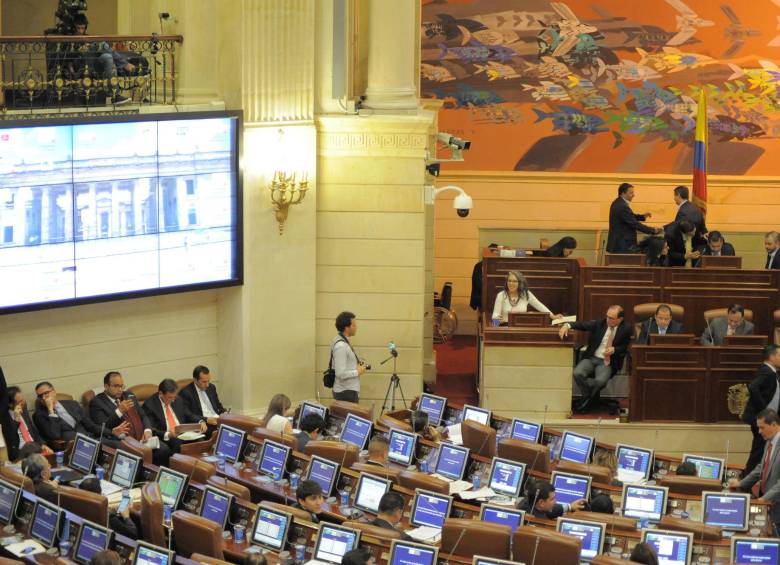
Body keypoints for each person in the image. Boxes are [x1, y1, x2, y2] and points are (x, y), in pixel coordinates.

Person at [559, 305, 632, 413]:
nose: (608, 320)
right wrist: (567, 325)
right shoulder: (600, 323)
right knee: (577, 373)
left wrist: (614, 349)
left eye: (611, 318)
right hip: (592, 358)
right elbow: (582, 325)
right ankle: (589, 397)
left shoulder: (626, 329)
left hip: (606, 362)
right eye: (607, 316)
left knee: (600, 381)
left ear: (620, 319)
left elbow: (624, 347)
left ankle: (586, 400)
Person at [90, 371, 171, 466]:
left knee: (164, 449)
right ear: (106, 386)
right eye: (116, 386)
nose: (120, 389)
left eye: (121, 386)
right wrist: (119, 411)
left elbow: (143, 415)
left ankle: (156, 478)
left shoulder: (128, 395)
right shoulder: (97, 402)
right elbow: (103, 428)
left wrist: (147, 430)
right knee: (139, 454)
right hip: (124, 442)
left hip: (143, 438)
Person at [729, 409, 780, 534]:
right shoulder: (769, 442)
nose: (759, 431)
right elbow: (761, 468)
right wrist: (741, 483)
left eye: (762, 427)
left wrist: (763, 500)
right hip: (767, 502)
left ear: (774, 425)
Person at [70, 14, 134, 105]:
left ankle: (115, 95)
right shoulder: (68, 39)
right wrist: (78, 51)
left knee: (107, 56)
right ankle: (124, 64)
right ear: (74, 27)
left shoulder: (87, 38)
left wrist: (90, 47)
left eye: (83, 28)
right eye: (78, 28)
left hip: (92, 66)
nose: (81, 31)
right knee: (101, 44)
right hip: (80, 68)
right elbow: (67, 59)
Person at [742, 345, 780, 475]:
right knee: (758, 451)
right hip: (761, 420)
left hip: (766, 420)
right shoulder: (767, 371)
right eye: (779, 355)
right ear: (772, 356)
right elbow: (753, 387)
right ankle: (746, 480)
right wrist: (763, 409)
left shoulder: (772, 371)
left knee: (760, 450)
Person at [142, 379, 206, 455]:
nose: (173, 400)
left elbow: (189, 415)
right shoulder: (150, 405)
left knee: (200, 439)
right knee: (177, 442)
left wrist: (200, 422)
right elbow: (151, 429)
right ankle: (176, 465)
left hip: (182, 433)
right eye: (170, 397)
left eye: (174, 397)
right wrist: (168, 434)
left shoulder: (177, 400)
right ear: (160, 393)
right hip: (166, 436)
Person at [33, 381, 108, 446]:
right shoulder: (39, 415)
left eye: (46, 393)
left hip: (91, 438)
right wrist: (51, 411)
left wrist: (111, 432)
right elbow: (55, 435)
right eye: (40, 396)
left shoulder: (72, 404)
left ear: (54, 392)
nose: (43, 397)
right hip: (71, 446)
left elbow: (90, 425)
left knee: (115, 443)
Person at [491, 270, 562, 325]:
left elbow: (539, 306)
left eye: (514, 281)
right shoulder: (501, 295)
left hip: (521, 327)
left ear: (520, 283)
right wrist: (497, 321)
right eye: (509, 281)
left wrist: (553, 316)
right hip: (505, 327)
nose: (511, 284)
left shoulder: (526, 294)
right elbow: (495, 318)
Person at [606, 183, 660, 254]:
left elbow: (629, 216)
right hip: (622, 245)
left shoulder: (618, 202)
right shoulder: (622, 206)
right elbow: (634, 224)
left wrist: (642, 217)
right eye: (631, 193)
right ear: (623, 193)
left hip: (619, 244)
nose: (633, 195)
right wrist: (653, 230)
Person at [4, 386, 51, 461]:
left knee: (52, 456)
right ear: (10, 404)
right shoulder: (4, 419)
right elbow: (11, 441)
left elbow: (33, 430)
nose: (23, 403)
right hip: (21, 452)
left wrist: (42, 445)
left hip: (34, 447)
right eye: (19, 401)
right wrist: (16, 421)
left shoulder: (23, 408)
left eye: (23, 399)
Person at [178, 365, 226, 436]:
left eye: (208, 381)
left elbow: (218, 405)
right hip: (204, 423)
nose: (207, 385)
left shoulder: (211, 388)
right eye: (204, 382)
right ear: (195, 380)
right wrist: (206, 419)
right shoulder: (186, 392)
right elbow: (188, 414)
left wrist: (224, 413)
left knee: (239, 428)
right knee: (224, 433)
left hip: (217, 420)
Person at [332, 312, 368, 403]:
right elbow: (340, 374)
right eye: (354, 325)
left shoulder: (343, 342)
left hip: (348, 391)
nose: (356, 327)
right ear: (346, 327)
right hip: (346, 392)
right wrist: (358, 371)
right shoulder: (341, 346)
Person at [518, 478, 585, 519]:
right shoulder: (540, 521)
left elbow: (550, 510)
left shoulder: (527, 502)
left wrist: (570, 506)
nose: (555, 501)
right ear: (541, 503)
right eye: (552, 499)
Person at [470, 243, 499, 311]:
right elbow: (477, 283)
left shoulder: (499, 266)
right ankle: (491, 321)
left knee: (497, 310)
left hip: (495, 294)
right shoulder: (479, 266)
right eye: (494, 254)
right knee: (491, 310)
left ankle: (495, 321)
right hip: (482, 295)